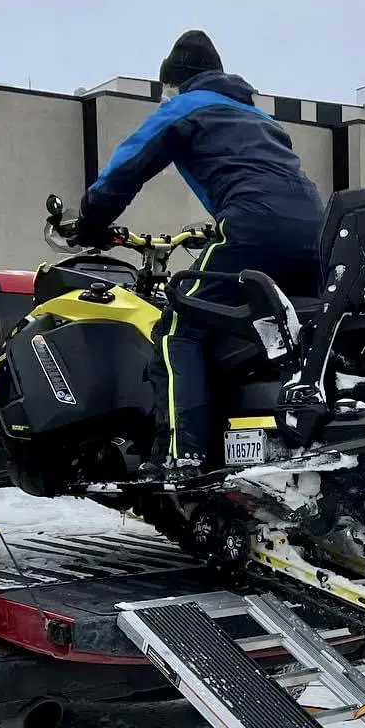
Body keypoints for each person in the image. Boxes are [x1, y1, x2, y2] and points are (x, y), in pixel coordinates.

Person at [73, 30, 326, 480]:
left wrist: (91, 222)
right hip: (317, 235)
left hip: (251, 228)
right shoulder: (262, 120)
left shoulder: (185, 106)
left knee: (178, 328)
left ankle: (180, 453)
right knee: (284, 333)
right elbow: (270, 185)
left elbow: (127, 166)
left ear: (175, 81)